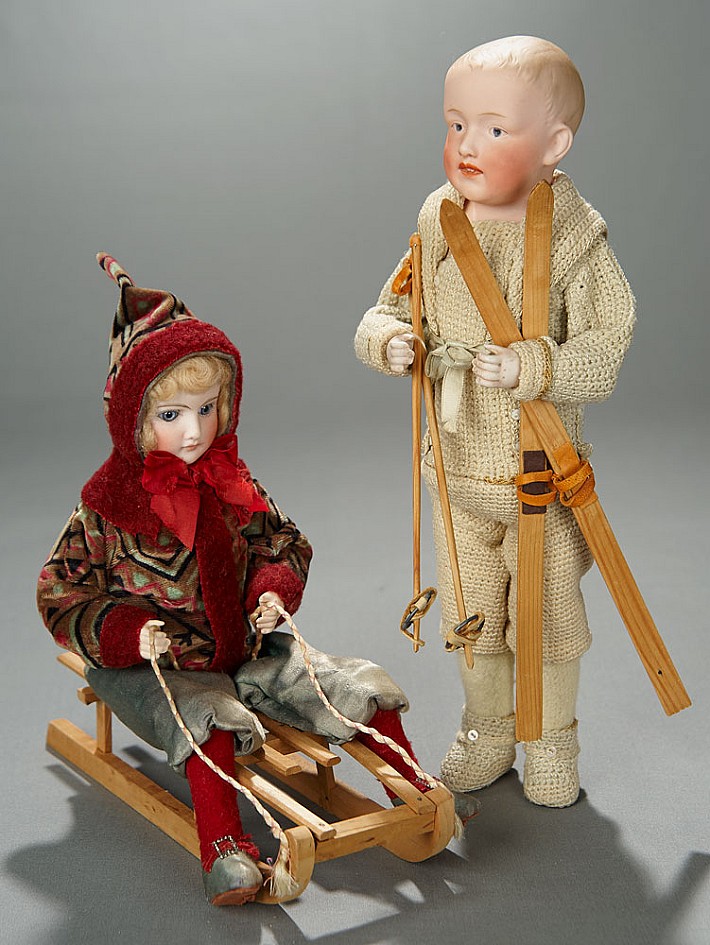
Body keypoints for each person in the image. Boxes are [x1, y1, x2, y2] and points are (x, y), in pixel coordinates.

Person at [38, 254, 435, 906]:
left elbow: (283, 540)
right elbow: (60, 592)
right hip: (162, 666)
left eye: (207, 408)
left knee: (357, 683)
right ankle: (224, 845)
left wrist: (271, 590)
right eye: (171, 416)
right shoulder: (107, 506)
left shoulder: (230, 481)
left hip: (247, 646)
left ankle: (413, 786)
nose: (195, 431)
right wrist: (131, 633)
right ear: (132, 420)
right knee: (209, 717)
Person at [354, 36, 636, 808]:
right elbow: (388, 306)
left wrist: (533, 366)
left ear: (554, 144)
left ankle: (551, 738)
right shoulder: (439, 217)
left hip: (538, 475)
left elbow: (606, 343)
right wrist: (390, 340)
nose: (467, 145)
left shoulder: (574, 235)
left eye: (495, 128)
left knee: (547, 620)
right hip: (454, 472)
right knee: (471, 614)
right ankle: (488, 727)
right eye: (455, 124)